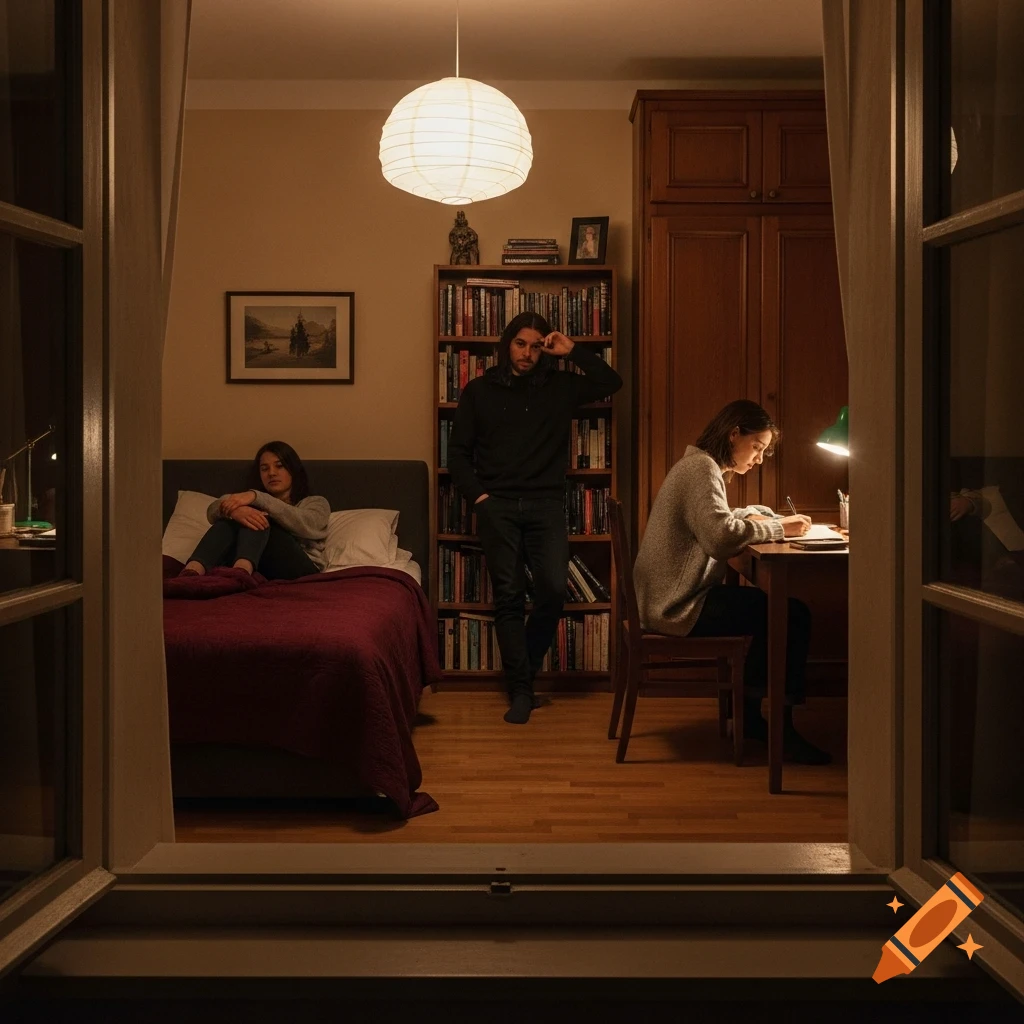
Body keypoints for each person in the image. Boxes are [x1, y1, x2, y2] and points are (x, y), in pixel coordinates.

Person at [448, 310, 623, 724]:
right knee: (507, 597)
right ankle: (521, 691)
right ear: (507, 344)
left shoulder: (559, 385)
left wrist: (572, 350)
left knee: (551, 591)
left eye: (536, 345)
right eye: (520, 343)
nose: (526, 353)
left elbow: (610, 383)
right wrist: (481, 499)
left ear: (546, 348)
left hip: (546, 505)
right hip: (498, 507)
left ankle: (522, 673)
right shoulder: (479, 390)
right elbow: (457, 454)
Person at [633, 400, 832, 764]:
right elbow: (720, 538)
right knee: (791, 613)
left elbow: (713, 520)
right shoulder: (700, 469)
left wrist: (752, 514)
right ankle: (773, 726)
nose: (758, 458)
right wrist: (778, 526)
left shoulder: (697, 464)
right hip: (676, 605)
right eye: (757, 447)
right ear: (734, 433)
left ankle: (753, 713)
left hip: (668, 597)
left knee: (776, 610)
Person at [180, 441, 329, 581]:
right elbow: (212, 509)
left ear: (293, 470)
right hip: (265, 567)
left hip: (302, 570)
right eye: (264, 468)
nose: (271, 473)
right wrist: (235, 512)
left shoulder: (316, 502)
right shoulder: (248, 502)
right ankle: (191, 572)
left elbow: (307, 524)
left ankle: (241, 572)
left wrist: (256, 498)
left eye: (279, 466)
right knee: (232, 519)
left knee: (258, 514)